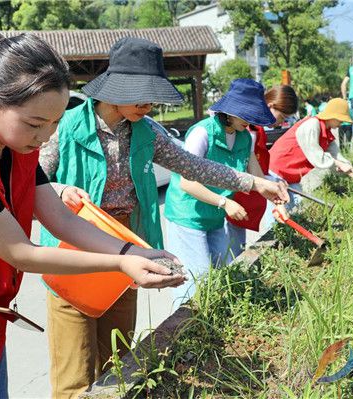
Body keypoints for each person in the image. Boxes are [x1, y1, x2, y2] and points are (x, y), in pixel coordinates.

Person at [0, 28, 185, 399]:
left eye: (54, 123)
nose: (46, 137)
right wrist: (119, 265)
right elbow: (22, 252)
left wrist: (132, 251)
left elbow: (61, 219)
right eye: (36, 124)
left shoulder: (15, 143)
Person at [38, 39, 289, 399]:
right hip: (72, 250)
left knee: (119, 363)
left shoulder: (147, 131)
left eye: (152, 96)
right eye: (140, 94)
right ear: (114, 89)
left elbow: (196, 167)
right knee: (73, 373)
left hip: (126, 251)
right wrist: (61, 190)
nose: (149, 104)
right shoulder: (67, 126)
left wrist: (253, 182)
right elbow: (33, 178)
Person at [164, 79, 286, 304]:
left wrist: (277, 191)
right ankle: (186, 331)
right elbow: (186, 183)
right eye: (245, 115)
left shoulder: (244, 137)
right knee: (195, 282)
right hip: (188, 216)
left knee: (221, 277)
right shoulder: (202, 133)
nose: (249, 121)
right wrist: (224, 202)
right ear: (229, 112)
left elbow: (257, 178)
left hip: (215, 216)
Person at [226, 85, 299, 257]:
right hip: (233, 195)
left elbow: (256, 167)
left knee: (237, 248)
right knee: (230, 250)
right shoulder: (248, 130)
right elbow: (242, 169)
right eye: (282, 116)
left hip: (247, 193)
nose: (281, 122)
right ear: (271, 105)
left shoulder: (256, 130)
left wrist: (274, 183)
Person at [268, 98, 353, 210]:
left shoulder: (327, 133)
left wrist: (347, 168)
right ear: (332, 116)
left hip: (291, 175)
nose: (341, 123)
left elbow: (335, 155)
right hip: (276, 170)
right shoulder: (312, 125)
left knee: (296, 207)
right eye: (340, 119)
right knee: (279, 210)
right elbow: (317, 157)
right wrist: (340, 165)